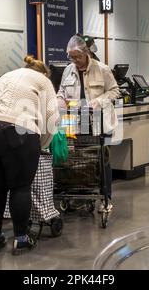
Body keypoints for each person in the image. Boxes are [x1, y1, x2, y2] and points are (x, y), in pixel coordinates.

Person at [0, 56, 59, 255]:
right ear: (44, 73)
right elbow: (53, 115)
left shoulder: (8, 76)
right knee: (20, 187)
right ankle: (21, 239)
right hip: (17, 129)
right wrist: (42, 144)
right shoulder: (43, 80)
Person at [57, 35, 120, 212]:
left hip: (101, 122)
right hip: (78, 122)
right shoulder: (68, 70)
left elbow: (115, 91)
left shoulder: (102, 69)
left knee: (102, 160)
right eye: (71, 57)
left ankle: (105, 199)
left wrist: (98, 101)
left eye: (78, 56)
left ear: (86, 53)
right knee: (82, 160)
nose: (75, 60)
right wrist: (60, 99)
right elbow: (61, 91)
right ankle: (84, 195)